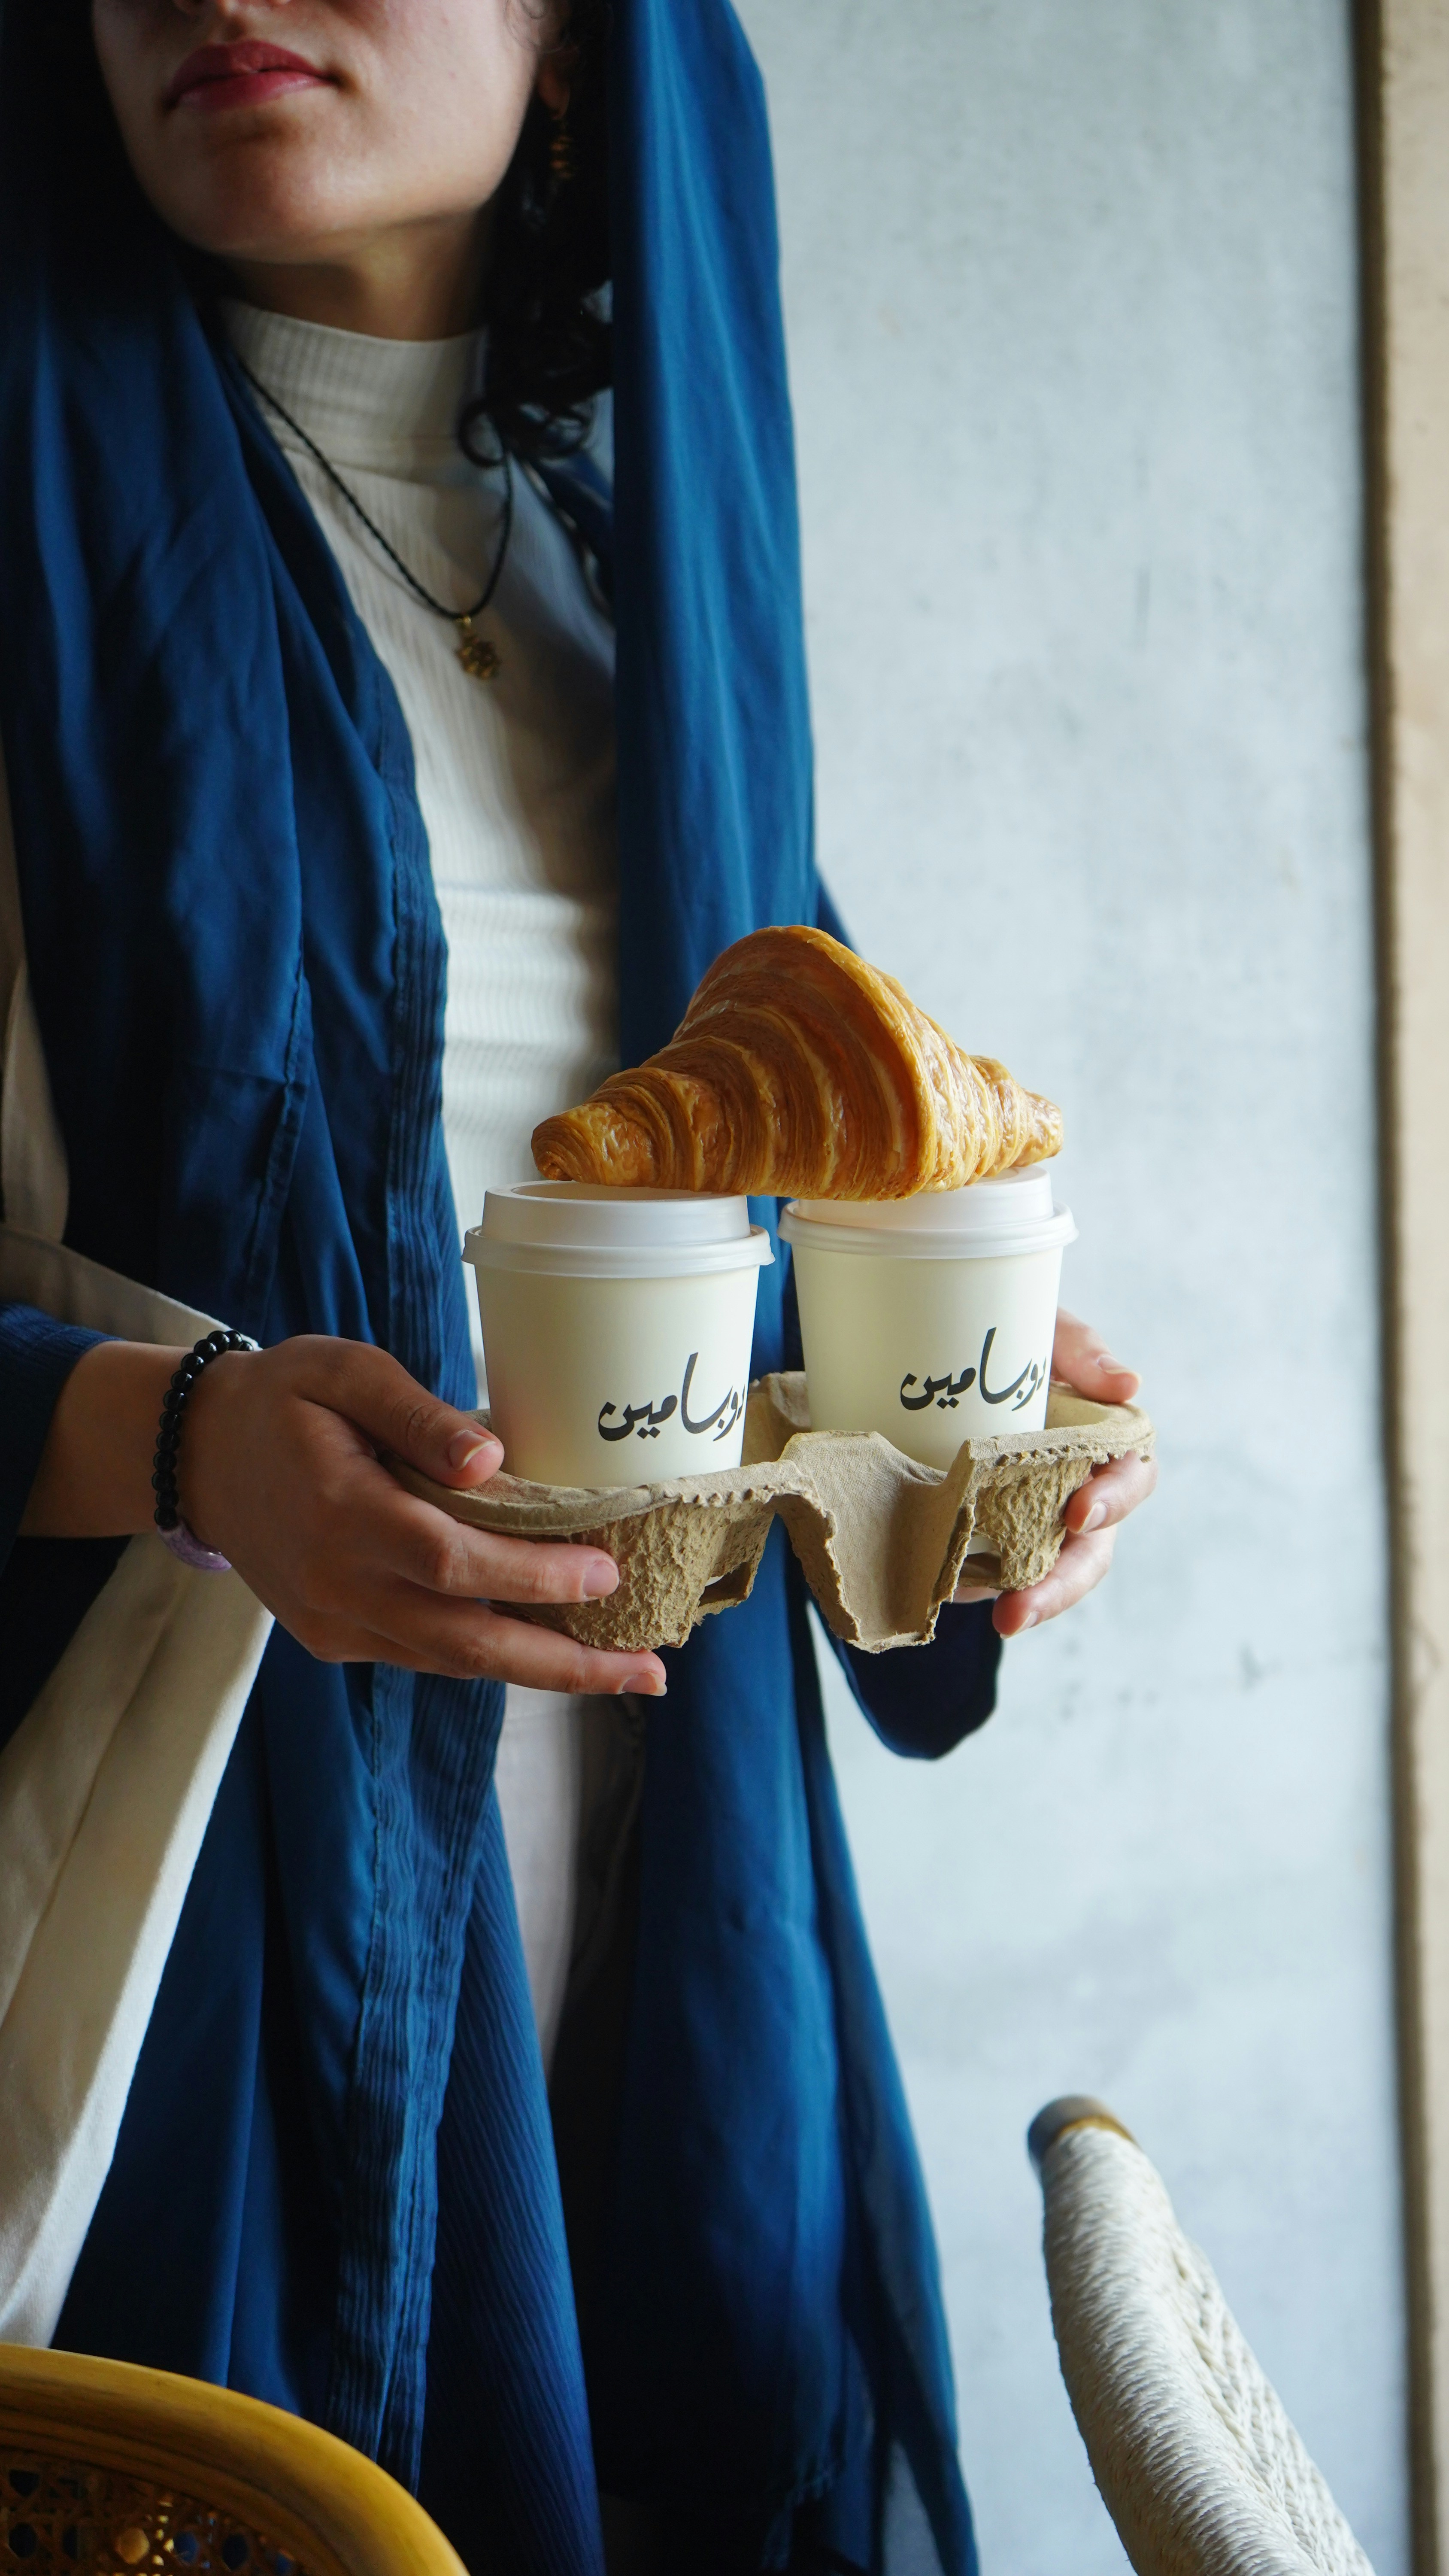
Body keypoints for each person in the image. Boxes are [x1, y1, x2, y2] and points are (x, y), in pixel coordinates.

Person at [0, 3, 1156, 2570]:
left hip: (652, 1932)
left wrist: (971, 1436)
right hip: (168, 1971)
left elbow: (769, 1242)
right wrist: (179, 1450)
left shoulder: (635, 603)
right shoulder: (33, 552)